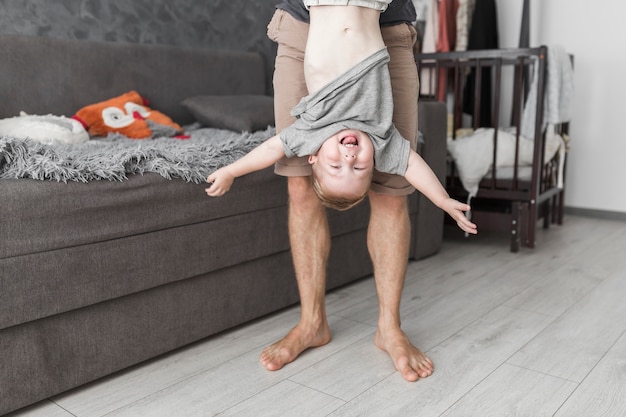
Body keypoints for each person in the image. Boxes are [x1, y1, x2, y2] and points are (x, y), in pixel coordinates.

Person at [216, 0, 472, 382]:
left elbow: (274, 146)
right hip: (315, 19)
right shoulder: (380, 140)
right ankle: (312, 322)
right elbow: (410, 164)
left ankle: (389, 328)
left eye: (338, 165)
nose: (350, 155)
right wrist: (441, 198)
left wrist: (233, 170)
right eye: (357, 166)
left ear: (317, 155)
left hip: (379, 20)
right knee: (302, 189)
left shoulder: (314, 132)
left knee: (390, 195)